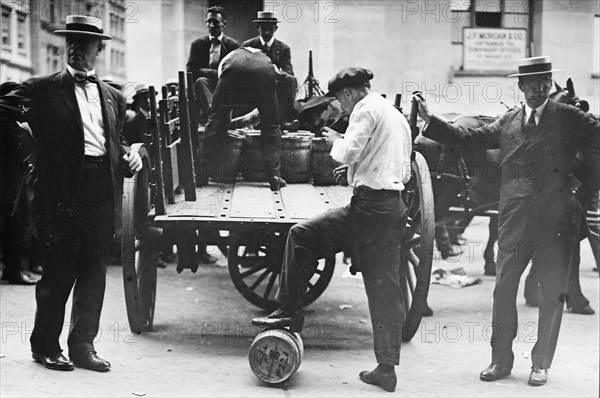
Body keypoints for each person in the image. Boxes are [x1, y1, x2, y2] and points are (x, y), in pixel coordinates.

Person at [414, 56, 600, 387]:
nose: (539, 89)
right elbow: (468, 137)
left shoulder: (570, 117)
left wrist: (582, 191)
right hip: (514, 219)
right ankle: (500, 361)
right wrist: (432, 120)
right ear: (521, 87)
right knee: (503, 290)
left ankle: (541, 363)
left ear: (548, 84)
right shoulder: (509, 120)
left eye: (544, 82)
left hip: (555, 221)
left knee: (551, 293)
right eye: (532, 84)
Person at [252, 67, 413, 393]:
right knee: (384, 290)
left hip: (366, 210)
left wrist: (336, 142)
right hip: (391, 207)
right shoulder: (393, 113)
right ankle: (387, 369)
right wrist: (356, 172)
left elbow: (347, 151)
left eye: (340, 98)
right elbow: (399, 167)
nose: (341, 105)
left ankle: (289, 313)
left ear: (350, 93)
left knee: (301, 235)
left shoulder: (364, 109)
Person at [0, 15, 142, 372]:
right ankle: (45, 345)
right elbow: (5, 110)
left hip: (101, 190)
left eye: (85, 43)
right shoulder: (42, 87)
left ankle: (82, 346)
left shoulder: (111, 95)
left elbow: (114, 140)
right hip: (59, 193)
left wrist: (129, 157)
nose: (77, 49)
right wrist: (28, 149)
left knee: (94, 269)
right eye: (71, 43)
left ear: (99, 49)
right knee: (59, 270)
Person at [198, 47, 287, 191]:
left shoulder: (227, 60)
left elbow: (221, 114)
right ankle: (274, 175)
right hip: (265, 75)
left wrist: (223, 117)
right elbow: (278, 78)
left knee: (214, 122)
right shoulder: (265, 58)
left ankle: (203, 174)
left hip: (233, 73)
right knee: (271, 126)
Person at [0, 81, 37, 285]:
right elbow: (28, 147)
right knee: (16, 225)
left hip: (8, 184)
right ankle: (13, 271)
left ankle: (9, 269)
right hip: (12, 186)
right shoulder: (11, 128)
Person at [242, 11, 298, 129]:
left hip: (275, 82)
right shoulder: (248, 45)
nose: (267, 32)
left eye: (270, 28)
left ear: (276, 28)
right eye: (263, 28)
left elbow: (288, 70)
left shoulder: (283, 48)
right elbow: (243, 68)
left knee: (290, 80)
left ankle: (286, 121)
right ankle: (252, 120)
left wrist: (275, 71)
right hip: (255, 82)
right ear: (258, 28)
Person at [186, 6, 239, 124]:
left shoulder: (233, 46)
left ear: (224, 24)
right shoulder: (198, 44)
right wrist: (213, 73)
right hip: (205, 86)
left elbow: (234, 72)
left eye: (215, 22)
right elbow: (190, 70)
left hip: (224, 85)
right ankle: (214, 114)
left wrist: (204, 71)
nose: (211, 25)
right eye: (209, 22)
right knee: (200, 81)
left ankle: (218, 118)